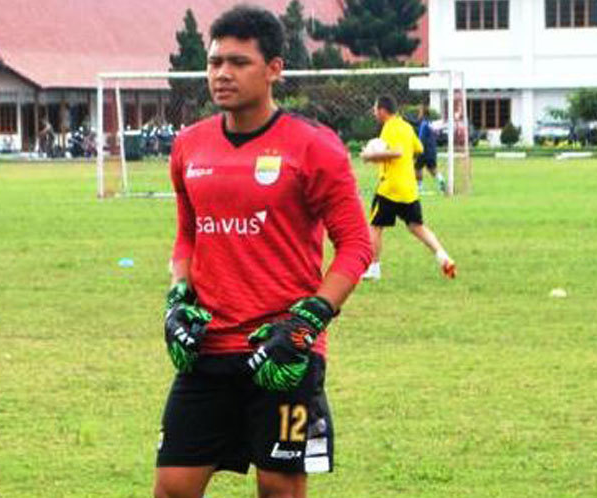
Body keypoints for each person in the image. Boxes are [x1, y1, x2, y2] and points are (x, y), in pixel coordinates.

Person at [154, 6, 372, 498]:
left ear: (274, 68)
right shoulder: (189, 146)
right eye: (214, 63)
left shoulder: (314, 148)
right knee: (172, 486)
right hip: (207, 349)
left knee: (279, 488)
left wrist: (309, 320)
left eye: (238, 62)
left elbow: (355, 244)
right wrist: (176, 300)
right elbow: (188, 235)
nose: (222, 74)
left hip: (282, 349)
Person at [360, 96, 456, 281]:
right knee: (416, 226)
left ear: (382, 110)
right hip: (409, 187)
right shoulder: (405, 126)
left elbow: (396, 152)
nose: (373, 113)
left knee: (375, 227)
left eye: (374, 109)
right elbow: (418, 148)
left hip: (389, 187)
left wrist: (370, 156)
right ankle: (443, 256)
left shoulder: (389, 127)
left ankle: (374, 269)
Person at [414, 107, 446, 194]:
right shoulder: (430, 124)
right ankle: (441, 180)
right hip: (432, 151)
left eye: (420, 112)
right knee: (432, 169)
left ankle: (419, 188)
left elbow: (421, 138)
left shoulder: (424, 124)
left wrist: (417, 150)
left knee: (417, 168)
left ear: (423, 114)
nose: (418, 114)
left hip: (424, 150)